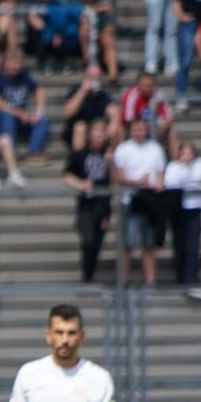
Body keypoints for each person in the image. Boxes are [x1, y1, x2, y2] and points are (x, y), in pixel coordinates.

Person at [111, 115, 168, 287]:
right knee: (127, 243)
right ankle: (124, 280)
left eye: (142, 129)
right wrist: (137, 182)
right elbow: (118, 176)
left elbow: (160, 174)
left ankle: (151, 280)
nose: (139, 132)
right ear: (130, 130)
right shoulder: (123, 149)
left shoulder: (156, 149)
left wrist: (157, 185)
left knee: (149, 243)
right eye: (136, 129)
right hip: (130, 200)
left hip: (150, 200)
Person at [164, 137, 201, 300]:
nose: (187, 155)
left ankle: (191, 282)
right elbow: (170, 183)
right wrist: (183, 168)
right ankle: (181, 277)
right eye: (184, 152)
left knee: (192, 245)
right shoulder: (174, 166)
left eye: (190, 152)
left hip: (194, 209)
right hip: (178, 209)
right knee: (180, 244)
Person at [65, 118, 115, 283]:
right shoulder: (80, 154)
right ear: (90, 134)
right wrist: (81, 184)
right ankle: (86, 279)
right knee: (88, 240)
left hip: (103, 206)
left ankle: (90, 276)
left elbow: (115, 182)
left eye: (102, 133)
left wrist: (111, 163)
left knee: (96, 244)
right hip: (86, 205)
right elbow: (66, 175)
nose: (99, 137)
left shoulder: (109, 155)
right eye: (96, 133)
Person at [0, 47, 49, 161]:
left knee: (42, 119)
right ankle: (11, 153)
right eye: (11, 63)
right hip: (3, 118)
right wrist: (20, 114)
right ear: (5, 63)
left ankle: (34, 153)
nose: (14, 66)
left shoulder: (24, 76)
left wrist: (38, 112)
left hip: (22, 119)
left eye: (17, 63)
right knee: (7, 116)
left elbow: (39, 90)